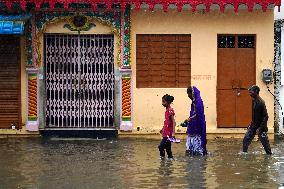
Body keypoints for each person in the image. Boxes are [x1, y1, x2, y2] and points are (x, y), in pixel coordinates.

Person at [242, 85, 272, 155]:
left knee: (265, 144)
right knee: (246, 139)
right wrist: (251, 123)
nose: (249, 93)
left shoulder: (261, 102)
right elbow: (254, 114)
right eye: (249, 92)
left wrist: (260, 128)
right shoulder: (253, 101)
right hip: (254, 125)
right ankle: (244, 154)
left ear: (256, 92)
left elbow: (266, 117)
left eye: (251, 92)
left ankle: (269, 156)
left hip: (261, 126)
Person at [183, 86, 207, 155]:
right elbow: (193, 113)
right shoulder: (194, 102)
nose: (188, 96)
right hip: (193, 125)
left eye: (188, 94)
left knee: (197, 146)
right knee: (190, 147)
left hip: (197, 125)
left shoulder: (198, 102)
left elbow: (198, 114)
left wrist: (190, 118)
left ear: (192, 93)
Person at [158, 94, 176, 159]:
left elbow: (173, 122)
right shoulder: (167, 110)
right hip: (165, 133)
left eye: (164, 102)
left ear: (168, 102)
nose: (162, 103)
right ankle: (170, 160)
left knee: (161, 146)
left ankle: (162, 159)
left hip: (168, 134)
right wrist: (162, 128)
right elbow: (166, 121)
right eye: (162, 101)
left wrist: (173, 133)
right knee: (168, 148)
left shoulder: (170, 110)